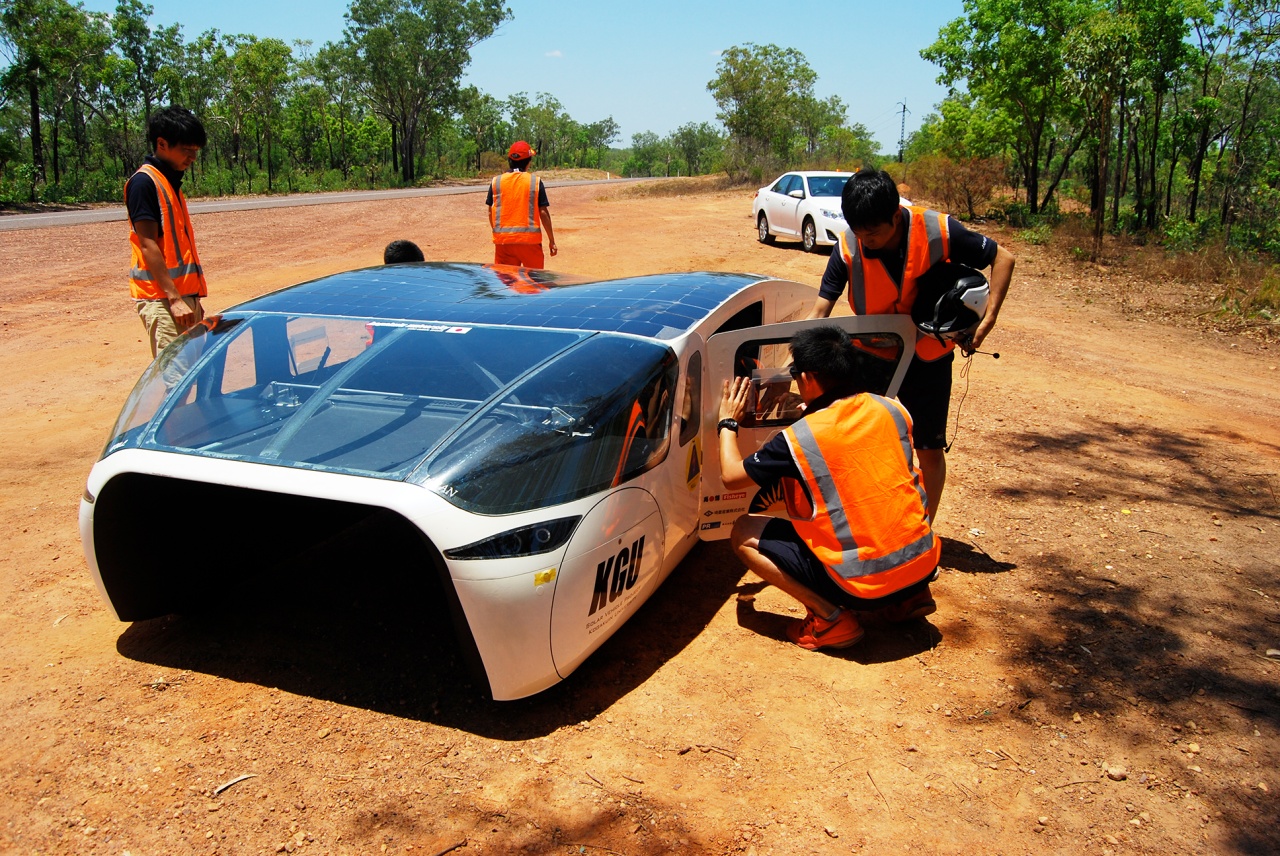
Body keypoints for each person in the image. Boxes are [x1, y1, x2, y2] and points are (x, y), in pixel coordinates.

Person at [808, 168, 1014, 524]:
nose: (865, 240)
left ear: (895, 215)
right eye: (859, 232)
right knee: (860, 438)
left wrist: (988, 319)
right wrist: (801, 363)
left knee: (928, 448)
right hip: (874, 356)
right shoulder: (848, 246)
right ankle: (864, 519)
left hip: (928, 358)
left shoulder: (937, 230)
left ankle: (922, 531)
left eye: (873, 233)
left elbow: (1003, 258)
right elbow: (820, 309)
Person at [718, 326, 940, 651]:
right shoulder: (890, 408)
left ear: (808, 378)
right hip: (922, 566)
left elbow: (731, 476)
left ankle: (830, 620)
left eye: (794, 374)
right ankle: (909, 598)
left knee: (744, 531)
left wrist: (728, 422)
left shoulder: (803, 437)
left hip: (862, 585)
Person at [125, 106, 209, 358]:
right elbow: (147, 244)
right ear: (162, 144)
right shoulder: (144, 183)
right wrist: (174, 299)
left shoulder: (170, 183)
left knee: (191, 374)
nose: (193, 157)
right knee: (175, 379)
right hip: (163, 299)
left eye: (196, 151)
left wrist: (192, 300)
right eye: (187, 150)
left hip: (183, 298)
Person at [486, 140, 557, 268]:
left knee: (507, 284)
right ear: (528, 162)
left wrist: (499, 233)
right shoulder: (535, 182)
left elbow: (490, 211)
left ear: (509, 160)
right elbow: (543, 212)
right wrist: (551, 240)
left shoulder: (496, 181)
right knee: (534, 284)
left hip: (504, 244)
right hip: (530, 243)